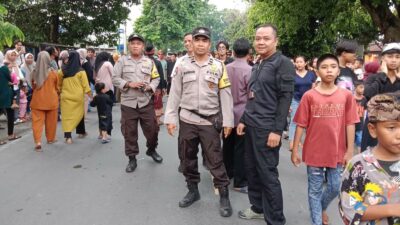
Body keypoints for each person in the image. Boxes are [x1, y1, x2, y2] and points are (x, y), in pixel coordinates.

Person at [164, 26, 234, 217]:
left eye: (204, 40)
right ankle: (193, 190)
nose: (201, 44)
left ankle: (224, 196)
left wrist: (228, 121)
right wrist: (170, 118)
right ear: (192, 42)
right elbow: (174, 93)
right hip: (187, 118)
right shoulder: (181, 65)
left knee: (215, 160)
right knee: (187, 157)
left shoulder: (219, 66)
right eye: (197, 40)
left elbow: (225, 95)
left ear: (209, 44)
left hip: (209, 122)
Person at [236, 24, 294, 224]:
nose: (261, 41)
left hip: (267, 128)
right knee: (251, 170)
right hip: (251, 124)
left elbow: (285, 98)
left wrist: (277, 130)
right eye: (258, 38)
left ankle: (276, 219)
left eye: (266, 38)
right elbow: (254, 96)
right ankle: (258, 207)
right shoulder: (259, 63)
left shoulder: (282, 63)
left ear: (275, 41)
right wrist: (244, 119)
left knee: (267, 175)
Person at [291, 54, 359, 225]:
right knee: (314, 190)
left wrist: (350, 151)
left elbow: (350, 123)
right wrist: (295, 150)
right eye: (324, 67)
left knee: (335, 187)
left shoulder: (346, 96)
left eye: (333, 66)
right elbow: (300, 124)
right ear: (317, 71)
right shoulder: (309, 96)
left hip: (337, 151)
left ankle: (320, 208)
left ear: (338, 71)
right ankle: (316, 221)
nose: (329, 70)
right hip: (314, 152)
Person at [339, 92, 400, 225]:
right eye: (391, 127)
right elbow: (348, 208)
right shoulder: (359, 165)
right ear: (373, 129)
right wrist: (391, 209)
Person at [112, 33, 162, 173]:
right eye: (133, 43)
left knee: (153, 130)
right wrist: (129, 83)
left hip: (145, 102)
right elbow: (114, 78)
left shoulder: (149, 62)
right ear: (129, 45)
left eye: (138, 43)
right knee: (129, 132)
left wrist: (149, 87)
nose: (135, 45)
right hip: (128, 104)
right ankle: (132, 159)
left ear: (142, 46)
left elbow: (156, 79)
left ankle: (151, 150)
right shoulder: (122, 61)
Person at [222, 38, 251, 194]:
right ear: (249, 53)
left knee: (227, 146)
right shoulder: (250, 71)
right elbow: (251, 96)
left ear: (232, 52)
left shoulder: (225, 68)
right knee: (241, 149)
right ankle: (239, 182)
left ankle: (226, 174)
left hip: (226, 114)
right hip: (242, 115)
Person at [362, 43, 400, 152]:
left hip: (396, 126)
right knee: (370, 159)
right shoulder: (374, 78)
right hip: (375, 125)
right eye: (390, 56)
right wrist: (383, 75)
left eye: (397, 57)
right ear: (382, 58)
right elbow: (369, 94)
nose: (394, 60)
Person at [59, 51, 91, 144]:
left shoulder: (62, 70)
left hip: (65, 96)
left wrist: (59, 92)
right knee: (80, 113)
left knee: (67, 117)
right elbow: (86, 86)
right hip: (78, 96)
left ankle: (68, 137)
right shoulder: (81, 71)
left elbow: (59, 84)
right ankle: (81, 132)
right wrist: (90, 95)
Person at [30, 51, 59, 151]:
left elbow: (33, 87)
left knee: (37, 122)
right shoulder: (53, 73)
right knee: (51, 121)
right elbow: (57, 87)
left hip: (37, 101)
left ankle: (38, 142)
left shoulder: (34, 72)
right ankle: (50, 139)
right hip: (51, 101)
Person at [288, 55, 317, 151]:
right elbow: (290, 90)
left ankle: (305, 142)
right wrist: (288, 104)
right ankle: (292, 143)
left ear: (305, 63)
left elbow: (314, 88)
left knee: (308, 123)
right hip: (295, 100)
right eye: (297, 62)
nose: (299, 64)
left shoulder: (311, 74)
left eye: (301, 62)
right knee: (294, 121)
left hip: (308, 101)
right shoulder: (292, 74)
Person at [145, 43, 165, 125]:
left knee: (146, 102)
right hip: (156, 87)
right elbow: (161, 76)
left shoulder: (142, 61)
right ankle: (157, 119)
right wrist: (163, 87)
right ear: (153, 51)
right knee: (157, 103)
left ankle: (147, 119)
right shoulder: (157, 62)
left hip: (145, 86)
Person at [0, 63, 21, 144]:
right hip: (5, 97)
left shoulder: (6, 76)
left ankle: (11, 134)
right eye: (9, 68)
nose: (10, 70)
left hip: (8, 97)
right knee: (10, 114)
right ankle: (10, 135)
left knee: (11, 114)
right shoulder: (3, 69)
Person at [354, 81, 366, 153]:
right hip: (351, 124)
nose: (363, 89)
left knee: (360, 141)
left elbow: (365, 111)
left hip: (360, 124)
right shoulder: (351, 98)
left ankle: (359, 157)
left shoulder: (364, 99)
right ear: (355, 88)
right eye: (361, 87)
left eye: (363, 87)